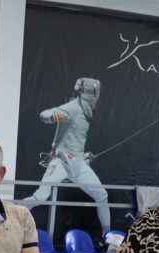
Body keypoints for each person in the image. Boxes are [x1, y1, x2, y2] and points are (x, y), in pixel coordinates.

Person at [19, 77, 111, 231]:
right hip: (61, 162)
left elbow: (75, 139)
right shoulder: (73, 108)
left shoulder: (85, 111)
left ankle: (107, 237)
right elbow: (44, 114)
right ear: (89, 93)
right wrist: (52, 116)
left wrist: (82, 156)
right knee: (40, 197)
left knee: (102, 196)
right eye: (96, 92)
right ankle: (11, 215)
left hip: (78, 164)